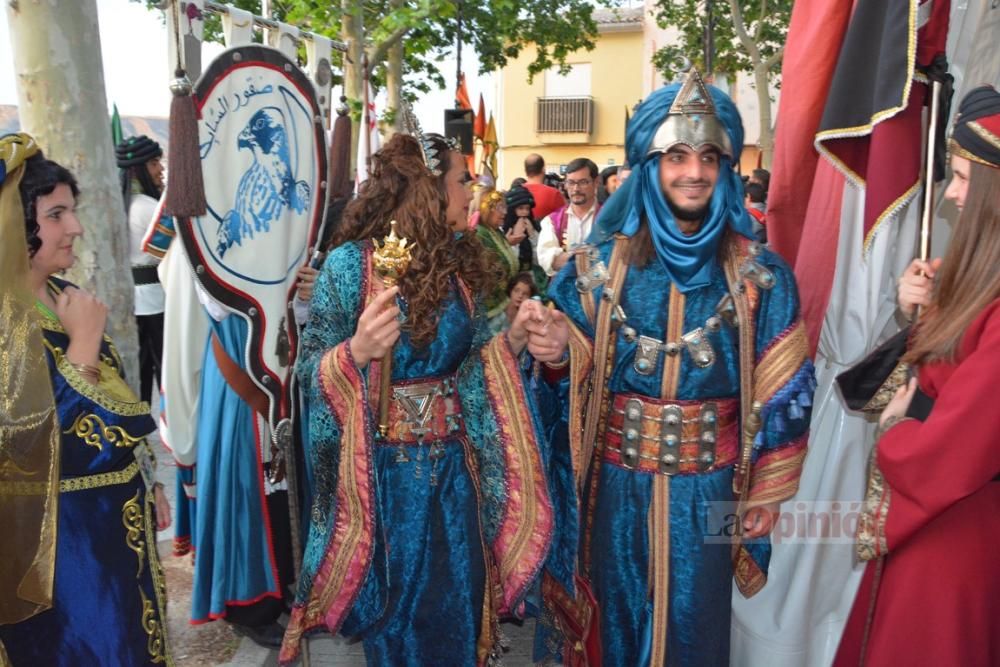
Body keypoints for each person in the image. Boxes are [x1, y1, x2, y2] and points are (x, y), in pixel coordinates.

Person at [535, 70, 814, 666]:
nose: (694, 172)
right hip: (614, 492)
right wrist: (558, 358)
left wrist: (761, 496)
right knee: (613, 629)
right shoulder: (588, 272)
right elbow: (552, 398)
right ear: (647, 165)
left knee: (697, 633)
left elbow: (789, 393)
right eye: (676, 155)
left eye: (710, 156)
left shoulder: (762, 277)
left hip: (713, 492)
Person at [280, 132, 560, 666]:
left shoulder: (463, 268)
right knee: (398, 623)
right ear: (428, 190)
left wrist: (517, 339)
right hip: (385, 482)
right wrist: (356, 352)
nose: (471, 191)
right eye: (461, 180)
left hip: (457, 476)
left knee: (454, 609)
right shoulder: (348, 267)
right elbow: (310, 373)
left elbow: (479, 361)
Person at [834, 85, 1000, 667]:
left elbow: (957, 446)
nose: (951, 195)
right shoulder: (977, 277)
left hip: (959, 538)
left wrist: (899, 432)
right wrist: (923, 314)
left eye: (960, 177)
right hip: (944, 530)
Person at [0, 134, 173, 665]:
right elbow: (29, 445)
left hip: (110, 527)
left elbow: (113, 394)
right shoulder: (7, 319)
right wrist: (83, 343)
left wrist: (143, 475)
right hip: (58, 547)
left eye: (71, 211)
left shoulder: (59, 295)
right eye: (56, 214)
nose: (75, 227)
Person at [117, 135, 166, 405]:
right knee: (162, 368)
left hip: (133, 301)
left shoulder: (123, 205)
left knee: (141, 371)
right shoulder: (148, 208)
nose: (160, 169)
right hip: (155, 301)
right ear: (139, 169)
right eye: (154, 163)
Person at [536, 157, 601, 276]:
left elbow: (615, 258)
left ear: (596, 182)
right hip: (563, 291)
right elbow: (548, 259)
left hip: (600, 290)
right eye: (571, 182)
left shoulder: (608, 216)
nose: (576, 189)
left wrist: (568, 257)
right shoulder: (552, 220)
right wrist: (586, 257)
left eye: (583, 182)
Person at [475, 188, 523, 332]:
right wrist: (508, 305)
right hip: (492, 314)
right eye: (499, 207)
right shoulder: (480, 235)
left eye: (505, 207)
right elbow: (489, 277)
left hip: (505, 309)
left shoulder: (494, 232)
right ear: (486, 208)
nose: (505, 212)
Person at [523, 152, 565, 220]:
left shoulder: (515, 193)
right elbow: (563, 220)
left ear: (525, 171)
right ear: (543, 169)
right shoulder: (554, 194)